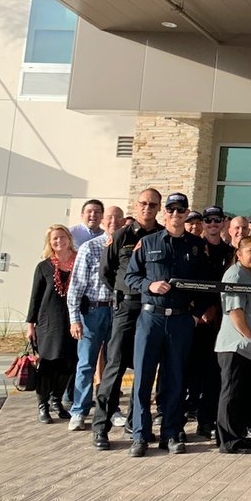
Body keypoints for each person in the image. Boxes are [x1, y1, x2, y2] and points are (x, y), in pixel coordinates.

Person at [123, 192, 206, 457]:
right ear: (164, 212)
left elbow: (205, 284)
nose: (176, 213)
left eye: (181, 209)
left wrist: (196, 313)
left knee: (175, 379)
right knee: (143, 379)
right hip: (151, 318)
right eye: (171, 208)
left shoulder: (196, 245)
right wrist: (150, 285)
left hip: (181, 319)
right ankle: (140, 434)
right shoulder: (147, 243)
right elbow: (130, 277)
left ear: (186, 212)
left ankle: (171, 432)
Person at [93, 188, 161, 450]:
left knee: (145, 369)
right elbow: (106, 272)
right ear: (137, 204)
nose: (147, 208)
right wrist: (124, 293)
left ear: (158, 207)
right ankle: (101, 427)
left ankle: (136, 423)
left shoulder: (161, 236)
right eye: (143, 204)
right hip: (127, 308)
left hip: (151, 309)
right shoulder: (122, 235)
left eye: (153, 205)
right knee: (114, 368)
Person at [65, 205, 123, 430]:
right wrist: (74, 318)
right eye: (110, 218)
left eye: (118, 218)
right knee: (86, 363)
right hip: (92, 312)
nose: (113, 222)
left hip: (117, 312)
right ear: (103, 220)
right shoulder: (90, 248)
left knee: (113, 364)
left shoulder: (126, 248)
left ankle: (111, 408)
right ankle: (79, 410)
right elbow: (76, 286)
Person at [215, 236, 251, 454]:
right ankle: (229, 441)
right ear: (239, 254)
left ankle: (238, 436)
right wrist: (248, 333)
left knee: (243, 397)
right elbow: (234, 309)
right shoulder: (235, 274)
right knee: (231, 395)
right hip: (236, 347)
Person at [186, 205, 233, 440]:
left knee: (214, 374)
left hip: (219, 320)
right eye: (208, 220)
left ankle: (207, 422)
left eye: (217, 220)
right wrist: (200, 309)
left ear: (223, 222)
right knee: (190, 373)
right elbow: (188, 283)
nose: (212, 224)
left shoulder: (230, 252)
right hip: (194, 319)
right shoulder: (192, 247)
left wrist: (214, 308)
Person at [26, 225, 78, 424]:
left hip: (72, 321)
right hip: (48, 323)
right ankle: (43, 404)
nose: (59, 241)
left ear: (69, 238)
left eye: (62, 237)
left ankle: (57, 399)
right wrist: (30, 324)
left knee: (68, 363)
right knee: (48, 365)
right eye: (55, 239)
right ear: (50, 242)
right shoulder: (44, 266)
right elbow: (35, 298)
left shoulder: (79, 261)